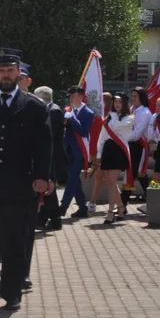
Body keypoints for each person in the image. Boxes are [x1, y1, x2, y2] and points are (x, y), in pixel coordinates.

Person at [0, 49, 52, 312]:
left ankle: (12, 292)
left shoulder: (34, 106)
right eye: (2, 71)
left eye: (11, 70)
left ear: (20, 74)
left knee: (17, 241)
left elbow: (44, 145)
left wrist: (43, 177)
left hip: (21, 184)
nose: (6, 75)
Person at [95, 93, 134, 223]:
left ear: (125, 104)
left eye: (120, 102)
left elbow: (118, 127)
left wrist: (113, 116)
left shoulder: (129, 118)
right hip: (108, 149)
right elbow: (102, 137)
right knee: (110, 182)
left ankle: (111, 212)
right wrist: (99, 154)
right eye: (115, 102)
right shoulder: (110, 117)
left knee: (112, 181)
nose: (117, 104)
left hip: (119, 150)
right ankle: (121, 207)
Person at [35, 86, 66, 231]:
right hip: (48, 154)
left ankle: (51, 219)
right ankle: (50, 219)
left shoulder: (53, 111)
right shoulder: (49, 110)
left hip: (52, 155)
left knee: (49, 188)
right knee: (48, 190)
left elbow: (51, 137)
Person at [60, 86, 94, 218]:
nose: (72, 99)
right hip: (67, 148)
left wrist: (72, 119)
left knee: (72, 178)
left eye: (74, 96)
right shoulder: (68, 110)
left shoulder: (88, 113)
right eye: (70, 96)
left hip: (79, 150)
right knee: (75, 180)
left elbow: (83, 132)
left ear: (81, 96)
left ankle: (63, 206)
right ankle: (82, 207)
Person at [126, 87, 153, 209]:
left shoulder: (145, 113)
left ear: (142, 98)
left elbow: (137, 134)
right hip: (130, 145)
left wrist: (122, 139)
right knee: (131, 172)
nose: (133, 99)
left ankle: (152, 200)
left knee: (140, 174)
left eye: (135, 96)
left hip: (139, 145)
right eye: (132, 96)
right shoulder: (132, 110)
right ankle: (123, 202)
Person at [87, 91, 113, 211]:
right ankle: (119, 203)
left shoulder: (111, 116)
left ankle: (93, 202)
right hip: (99, 150)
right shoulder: (97, 115)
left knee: (105, 178)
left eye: (103, 100)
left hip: (107, 150)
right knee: (102, 177)